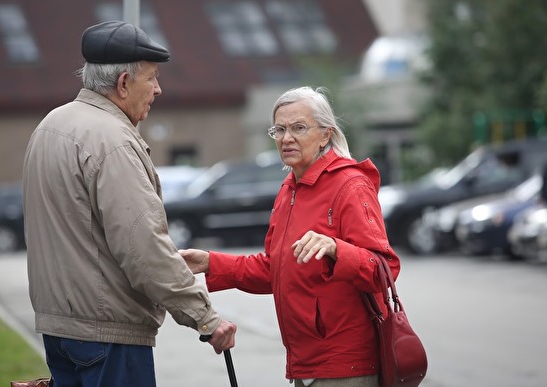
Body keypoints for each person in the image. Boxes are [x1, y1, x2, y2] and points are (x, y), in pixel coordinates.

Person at [22, 21, 236, 387]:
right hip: (108, 333)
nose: (158, 89)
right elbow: (143, 247)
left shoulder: (49, 126)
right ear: (123, 83)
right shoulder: (113, 140)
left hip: (59, 328)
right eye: (151, 78)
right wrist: (206, 317)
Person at [180, 86, 401, 387]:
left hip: (346, 365)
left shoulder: (350, 185)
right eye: (279, 129)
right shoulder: (289, 189)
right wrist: (210, 262)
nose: (287, 138)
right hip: (305, 364)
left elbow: (384, 269)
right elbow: (276, 270)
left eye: (299, 128)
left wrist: (336, 248)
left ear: (326, 134)